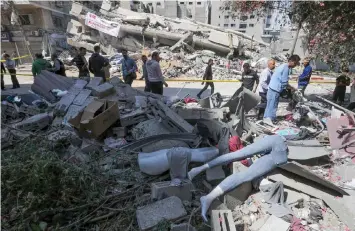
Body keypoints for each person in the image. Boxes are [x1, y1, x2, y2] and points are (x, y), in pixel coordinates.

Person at [264, 54, 301, 125]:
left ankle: (266, 119)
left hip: (272, 88)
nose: (295, 65)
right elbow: (284, 83)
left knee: (269, 105)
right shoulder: (286, 68)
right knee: (273, 106)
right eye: (295, 63)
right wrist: (292, 88)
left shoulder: (283, 65)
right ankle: (270, 120)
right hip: (275, 89)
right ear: (291, 61)